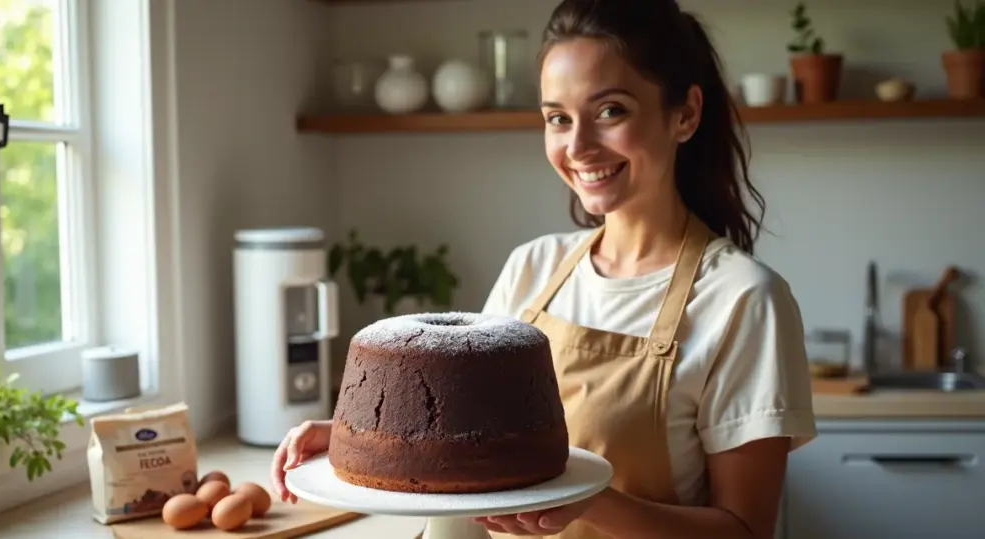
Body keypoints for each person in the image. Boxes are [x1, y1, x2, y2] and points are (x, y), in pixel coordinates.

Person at [270, 0, 817, 537]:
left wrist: (589, 501)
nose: (578, 146)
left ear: (686, 114)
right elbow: (464, 443)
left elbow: (745, 529)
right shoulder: (534, 267)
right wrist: (355, 439)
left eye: (610, 111)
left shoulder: (743, 299)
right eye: (558, 118)